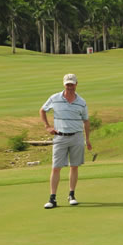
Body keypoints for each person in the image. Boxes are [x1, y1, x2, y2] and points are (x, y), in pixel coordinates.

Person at [39, 73, 92, 209]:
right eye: (68, 84)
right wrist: (47, 126)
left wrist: (87, 139)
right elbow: (42, 110)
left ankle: (71, 195)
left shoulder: (81, 101)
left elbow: (86, 121)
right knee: (56, 167)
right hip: (60, 137)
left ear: (76, 84)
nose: (70, 87)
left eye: (72, 84)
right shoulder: (54, 98)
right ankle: (52, 198)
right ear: (64, 84)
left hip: (76, 137)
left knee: (74, 166)